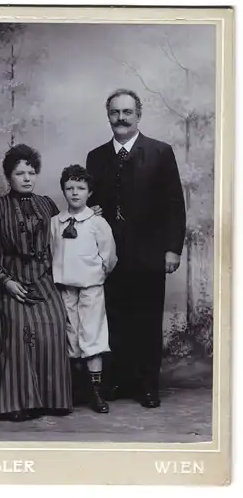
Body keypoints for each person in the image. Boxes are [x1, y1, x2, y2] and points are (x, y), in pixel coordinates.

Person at [0, 144, 72, 421]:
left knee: (54, 319)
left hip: (43, 279)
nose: (27, 178)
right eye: (20, 173)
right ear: (9, 177)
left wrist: (90, 217)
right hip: (9, 281)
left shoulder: (48, 205)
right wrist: (6, 282)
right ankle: (17, 402)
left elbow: (62, 238)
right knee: (19, 324)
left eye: (31, 172)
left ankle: (52, 399)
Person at [86, 89, 186, 408]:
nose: (121, 118)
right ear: (108, 116)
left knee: (146, 320)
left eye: (127, 112)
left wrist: (172, 250)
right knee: (115, 318)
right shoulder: (96, 157)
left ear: (138, 116)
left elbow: (174, 205)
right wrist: (93, 211)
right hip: (110, 255)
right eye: (115, 112)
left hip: (149, 254)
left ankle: (147, 386)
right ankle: (120, 382)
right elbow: (91, 203)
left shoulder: (160, 152)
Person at [51, 165, 117, 413]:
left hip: (91, 288)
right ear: (64, 191)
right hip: (65, 288)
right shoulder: (55, 223)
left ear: (89, 192)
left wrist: (96, 274)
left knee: (92, 335)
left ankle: (97, 393)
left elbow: (109, 256)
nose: (75, 193)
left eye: (80, 188)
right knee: (71, 335)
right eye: (70, 188)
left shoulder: (97, 223)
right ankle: (74, 390)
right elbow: (51, 251)